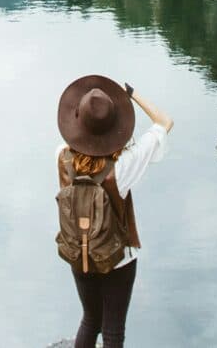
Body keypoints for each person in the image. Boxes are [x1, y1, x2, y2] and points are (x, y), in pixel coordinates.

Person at [54, 74, 173, 348]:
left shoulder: (61, 156)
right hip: (117, 257)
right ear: (113, 125)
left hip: (78, 251)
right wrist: (132, 95)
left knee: (90, 319)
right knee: (113, 330)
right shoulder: (122, 167)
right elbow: (165, 123)